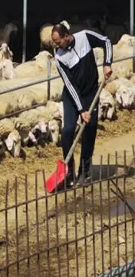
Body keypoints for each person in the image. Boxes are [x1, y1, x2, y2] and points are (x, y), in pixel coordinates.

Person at [51, 23, 113, 187]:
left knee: (90, 128)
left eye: (58, 42)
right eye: (54, 43)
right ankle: (69, 172)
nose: (56, 46)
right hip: (72, 96)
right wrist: (81, 110)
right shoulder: (59, 57)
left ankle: (84, 171)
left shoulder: (84, 36)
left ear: (66, 36)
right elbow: (70, 85)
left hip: (91, 92)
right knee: (67, 130)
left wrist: (107, 63)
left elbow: (106, 41)